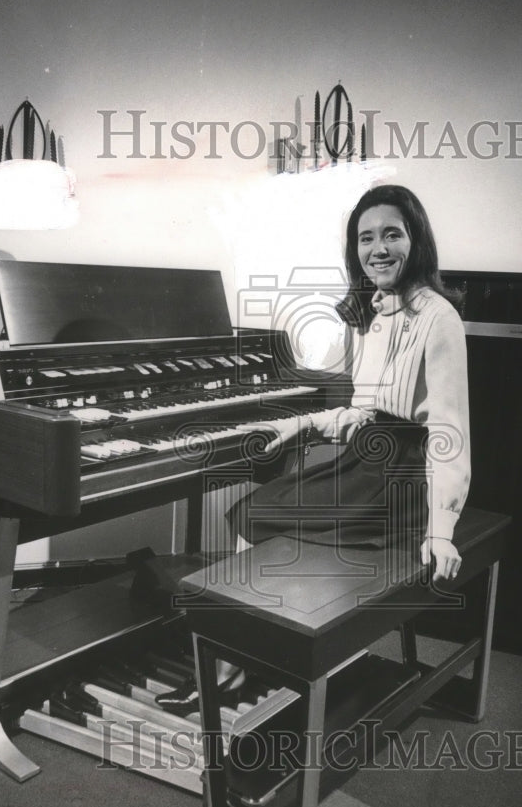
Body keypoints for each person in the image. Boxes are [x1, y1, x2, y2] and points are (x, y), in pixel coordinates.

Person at [158, 184, 470, 715]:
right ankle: (247, 656)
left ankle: (242, 662)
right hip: (367, 461)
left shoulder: (440, 318)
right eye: (366, 238)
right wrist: (297, 426)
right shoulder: (373, 312)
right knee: (254, 512)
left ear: (416, 239)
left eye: (392, 234)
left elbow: (449, 432)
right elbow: (361, 412)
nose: (379, 248)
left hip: (404, 478)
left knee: (255, 514)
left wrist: (442, 529)